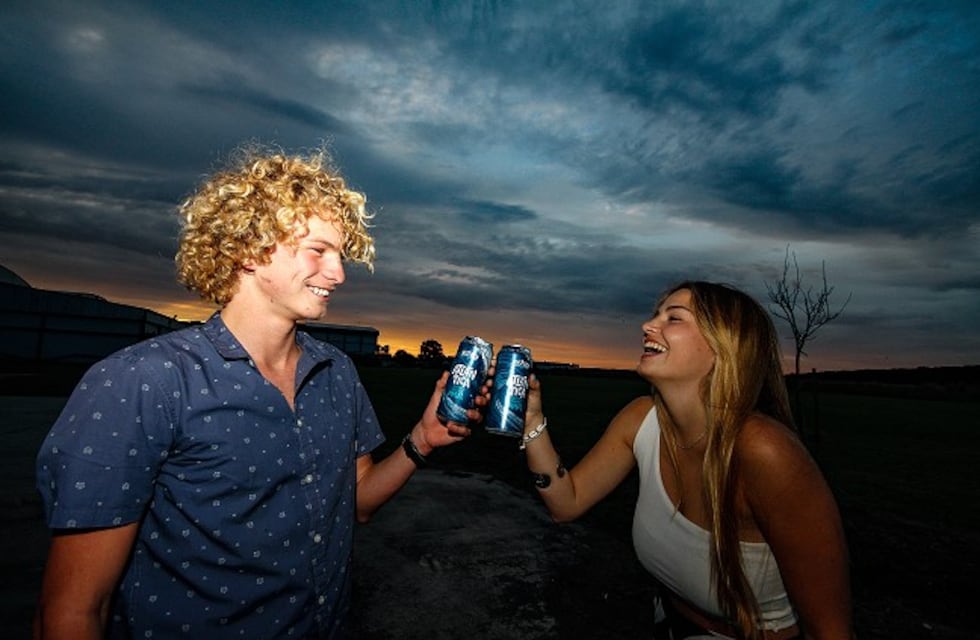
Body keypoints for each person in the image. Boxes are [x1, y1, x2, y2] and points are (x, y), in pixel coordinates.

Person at [33, 146, 480, 639]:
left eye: (341, 255)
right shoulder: (143, 380)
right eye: (318, 251)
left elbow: (359, 503)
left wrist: (422, 439)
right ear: (250, 248)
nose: (338, 274)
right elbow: (73, 612)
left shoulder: (337, 373)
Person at [520, 281, 853, 639]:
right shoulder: (640, 419)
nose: (647, 326)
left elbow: (830, 631)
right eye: (656, 315)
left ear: (721, 347)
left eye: (674, 318)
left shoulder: (763, 451)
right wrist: (532, 422)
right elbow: (566, 504)